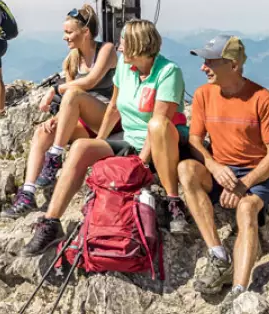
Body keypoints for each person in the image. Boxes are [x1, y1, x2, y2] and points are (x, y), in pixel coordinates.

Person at [22, 18, 189, 254]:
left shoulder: (168, 72)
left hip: (163, 144)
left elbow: (160, 122)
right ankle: (51, 222)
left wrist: (140, 163)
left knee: (157, 124)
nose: (119, 48)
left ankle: (173, 203)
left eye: (124, 43)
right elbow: (113, 108)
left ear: (139, 45)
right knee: (81, 147)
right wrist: (98, 142)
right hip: (130, 139)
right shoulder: (124, 66)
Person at [178, 36, 269, 299]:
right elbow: (194, 140)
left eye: (211, 61)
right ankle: (218, 254)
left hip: (255, 174)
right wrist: (213, 166)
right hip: (221, 170)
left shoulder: (262, 98)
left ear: (234, 66)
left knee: (247, 209)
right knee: (186, 170)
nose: (204, 67)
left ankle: (239, 291)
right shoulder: (204, 94)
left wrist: (242, 186)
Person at [3, 5, 116, 218]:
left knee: (73, 95)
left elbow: (90, 82)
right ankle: (27, 193)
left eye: (69, 32)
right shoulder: (72, 60)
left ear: (86, 32)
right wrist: (55, 120)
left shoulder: (106, 50)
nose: (65, 37)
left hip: (108, 119)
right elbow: (69, 102)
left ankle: (54, 156)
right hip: (86, 121)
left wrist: (55, 89)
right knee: (42, 132)